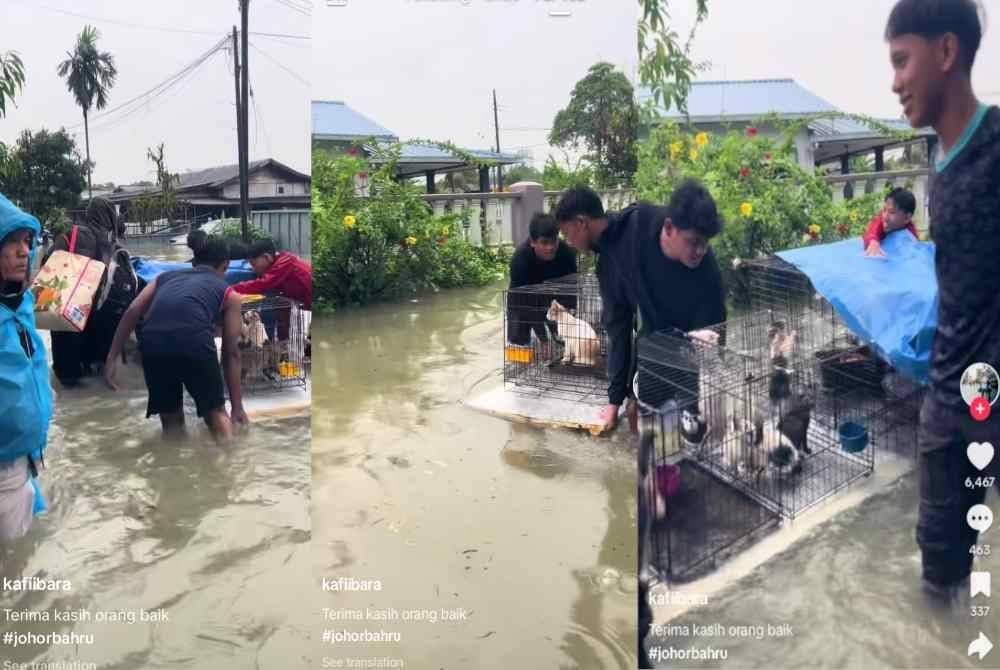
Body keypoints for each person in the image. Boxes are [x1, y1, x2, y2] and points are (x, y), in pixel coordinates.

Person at [555, 181, 726, 668]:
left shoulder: (701, 266)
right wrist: (614, 398)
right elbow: (617, 324)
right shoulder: (616, 252)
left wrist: (712, 333)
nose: (698, 253)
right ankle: (660, 491)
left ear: (579, 224)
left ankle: (671, 482)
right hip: (653, 352)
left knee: (681, 425)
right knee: (650, 433)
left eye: (703, 244)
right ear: (668, 230)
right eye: (692, 242)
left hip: (689, 351)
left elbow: (719, 316)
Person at [885, 0, 1000, 600]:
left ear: (947, 52)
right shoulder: (939, 166)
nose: (895, 80)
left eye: (903, 60)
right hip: (945, 407)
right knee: (938, 565)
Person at [103, 234, 249, 443]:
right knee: (216, 414)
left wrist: (111, 358)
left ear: (194, 261)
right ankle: (229, 469)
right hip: (195, 341)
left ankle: (171, 466)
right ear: (225, 265)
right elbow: (231, 353)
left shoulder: (164, 278)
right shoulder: (229, 294)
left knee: (171, 421)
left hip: (152, 342)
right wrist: (237, 407)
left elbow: (133, 311)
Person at [0, 194, 52, 542]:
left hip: (23, 460)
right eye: (12, 242)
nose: (24, 251)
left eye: (27, 242)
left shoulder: (20, 304)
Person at [43, 197, 126, 387]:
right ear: (109, 217)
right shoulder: (113, 244)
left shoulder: (69, 235)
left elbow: (46, 268)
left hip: (66, 312)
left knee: (68, 380)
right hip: (97, 317)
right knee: (95, 377)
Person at [507, 212, 578, 354]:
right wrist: (543, 339)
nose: (550, 247)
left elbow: (571, 291)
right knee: (518, 347)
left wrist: (569, 316)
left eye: (554, 241)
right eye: (544, 243)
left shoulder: (567, 253)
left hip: (553, 300)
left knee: (562, 342)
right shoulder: (520, 260)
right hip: (522, 302)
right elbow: (524, 303)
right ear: (533, 242)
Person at [231, 238, 312, 310]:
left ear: (267, 257)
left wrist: (230, 289)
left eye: (254, 264)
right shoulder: (281, 262)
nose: (253, 269)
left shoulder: (285, 263)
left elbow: (262, 283)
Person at [862, 187, 920, 256]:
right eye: (884, 210)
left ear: (907, 218)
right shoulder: (881, 222)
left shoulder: (910, 235)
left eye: (891, 212)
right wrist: (873, 241)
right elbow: (872, 231)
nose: (885, 216)